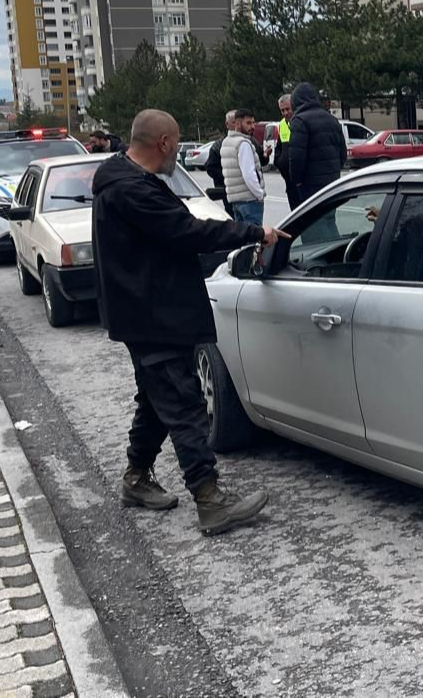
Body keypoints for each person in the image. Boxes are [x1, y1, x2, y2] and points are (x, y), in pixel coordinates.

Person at [90, 109, 291, 536]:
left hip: (145, 313)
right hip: (153, 315)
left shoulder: (121, 177)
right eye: (176, 143)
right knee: (184, 405)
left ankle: (136, 478)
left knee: (156, 400)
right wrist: (252, 233)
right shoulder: (134, 191)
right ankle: (210, 499)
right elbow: (188, 232)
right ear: (163, 143)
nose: (178, 152)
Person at [281, 83, 347, 207]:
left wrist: (297, 181)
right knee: (328, 218)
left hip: (310, 186)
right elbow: (343, 154)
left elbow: (296, 158)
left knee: (313, 222)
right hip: (332, 183)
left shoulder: (299, 121)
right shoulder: (332, 120)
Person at [220, 108, 266, 225]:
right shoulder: (243, 143)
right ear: (238, 124)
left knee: (242, 238)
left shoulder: (226, 142)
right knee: (253, 239)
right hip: (249, 200)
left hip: (236, 201)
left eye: (253, 122)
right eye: (248, 123)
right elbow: (248, 174)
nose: (252, 126)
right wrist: (259, 195)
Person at [271, 94, 298, 208]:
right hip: (289, 181)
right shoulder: (282, 124)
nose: (285, 113)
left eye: (288, 109)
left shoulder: (301, 122)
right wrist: (279, 163)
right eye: (282, 110)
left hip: (301, 180)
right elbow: (279, 149)